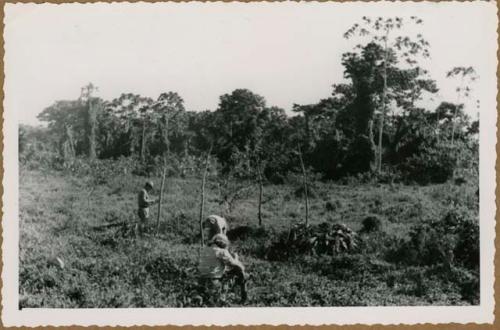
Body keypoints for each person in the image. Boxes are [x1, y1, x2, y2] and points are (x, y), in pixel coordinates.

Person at [198, 233, 249, 304]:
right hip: (214, 280)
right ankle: (243, 298)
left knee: (226, 272)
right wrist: (236, 257)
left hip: (201, 280)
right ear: (223, 243)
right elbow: (235, 264)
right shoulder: (221, 251)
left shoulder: (204, 249)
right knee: (240, 271)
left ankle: (229, 294)